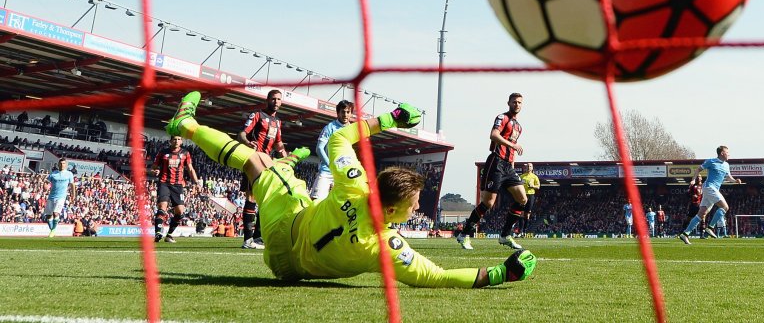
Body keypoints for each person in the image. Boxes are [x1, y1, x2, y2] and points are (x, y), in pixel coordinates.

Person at [164, 91, 536, 287]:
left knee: (254, 162)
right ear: (392, 209)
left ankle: (186, 124)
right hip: (288, 266)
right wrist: (502, 274)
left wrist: (391, 118)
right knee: (265, 165)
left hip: (287, 227)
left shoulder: (355, 186)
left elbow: (340, 140)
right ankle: (283, 162)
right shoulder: (386, 248)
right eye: (414, 203)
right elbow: (437, 277)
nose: (417, 208)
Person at [456, 93, 527, 250]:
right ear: (508, 102)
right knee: (488, 203)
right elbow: (493, 135)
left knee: (522, 199)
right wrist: (511, 145)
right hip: (496, 162)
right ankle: (464, 234)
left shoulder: (519, 126)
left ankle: (505, 235)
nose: (517, 104)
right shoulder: (502, 117)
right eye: (514, 101)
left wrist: (512, 165)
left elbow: (507, 147)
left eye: (520, 102)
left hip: (508, 167)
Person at [237, 89, 288, 249]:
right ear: (268, 100)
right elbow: (242, 134)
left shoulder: (278, 122)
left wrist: (286, 160)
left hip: (267, 163)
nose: (276, 102)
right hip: (253, 160)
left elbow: (279, 144)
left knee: (265, 200)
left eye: (279, 99)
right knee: (251, 198)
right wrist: (246, 143)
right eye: (273, 99)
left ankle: (258, 238)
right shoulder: (257, 115)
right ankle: (247, 240)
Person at [678, 145, 742, 245]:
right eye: (727, 152)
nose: (729, 154)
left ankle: (685, 234)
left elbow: (728, 177)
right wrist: (693, 179)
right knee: (725, 207)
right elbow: (698, 169)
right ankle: (710, 227)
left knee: (702, 213)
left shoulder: (726, 165)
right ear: (722, 153)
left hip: (713, 189)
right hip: (709, 187)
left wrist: (735, 180)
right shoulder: (711, 161)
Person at [151, 135, 200, 243]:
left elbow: (190, 169)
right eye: (174, 139)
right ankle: (158, 232)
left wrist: (196, 182)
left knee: (180, 212)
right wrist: (155, 171)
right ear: (170, 141)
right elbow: (154, 167)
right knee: (162, 206)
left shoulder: (185, 153)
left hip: (178, 186)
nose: (176, 141)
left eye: (179, 139)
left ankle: (169, 235)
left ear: (181, 141)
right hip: (164, 183)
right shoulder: (163, 153)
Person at [307, 100, 354, 200]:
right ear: (338, 113)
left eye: (348, 112)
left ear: (351, 113)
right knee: (316, 201)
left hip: (343, 174)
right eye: (343, 112)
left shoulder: (352, 129)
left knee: (342, 206)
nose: (345, 115)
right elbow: (319, 149)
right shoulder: (330, 128)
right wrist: (331, 166)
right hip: (327, 172)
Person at [43, 158, 76, 237]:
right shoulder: (53, 174)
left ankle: (53, 230)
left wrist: (73, 195)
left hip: (61, 197)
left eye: (64, 163)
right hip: (51, 196)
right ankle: (52, 231)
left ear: (66, 165)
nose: (62, 165)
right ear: (58, 164)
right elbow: (46, 182)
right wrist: (45, 186)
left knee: (56, 213)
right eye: (61, 163)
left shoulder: (69, 174)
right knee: (48, 215)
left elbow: (72, 185)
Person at [518, 162, 540, 238]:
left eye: (530, 166)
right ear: (525, 168)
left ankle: (524, 231)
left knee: (527, 215)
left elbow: (538, 186)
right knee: (521, 213)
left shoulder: (534, 177)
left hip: (531, 195)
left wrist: (533, 186)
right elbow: (518, 185)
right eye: (527, 166)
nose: (528, 167)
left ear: (532, 168)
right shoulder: (521, 177)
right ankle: (520, 231)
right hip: (523, 195)